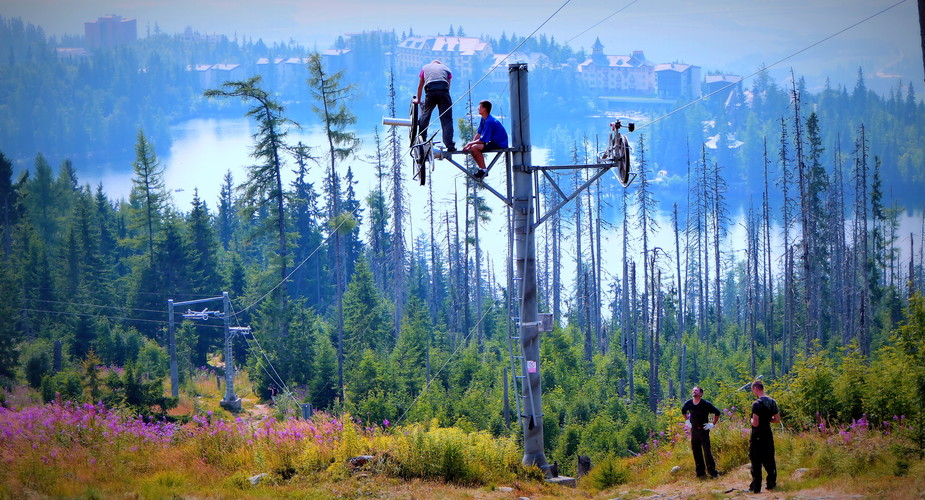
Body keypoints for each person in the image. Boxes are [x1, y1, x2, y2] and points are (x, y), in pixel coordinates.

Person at [415, 60, 455, 151]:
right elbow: (448, 86)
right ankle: (450, 145)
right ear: (440, 65)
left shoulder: (425, 68)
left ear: (432, 64)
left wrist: (418, 100)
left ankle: (422, 139)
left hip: (430, 90)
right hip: (443, 91)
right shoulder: (446, 69)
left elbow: (420, 85)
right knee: (446, 119)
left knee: (425, 115)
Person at [681, 386, 721, 479]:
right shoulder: (689, 403)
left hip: (703, 430)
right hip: (694, 430)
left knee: (707, 452)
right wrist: (687, 421)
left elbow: (717, 412)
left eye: (696, 390)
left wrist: (712, 424)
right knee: (696, 451)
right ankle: (700, 473)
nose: (694, 391)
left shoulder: (705, 404)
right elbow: (683, 411)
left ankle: (712, 472)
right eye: (693, 390)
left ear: (701, 394)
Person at [463, 100, 508, 180]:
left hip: (499, 143)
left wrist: (469, 144)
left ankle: (484, 170)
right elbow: (479, 134)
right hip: (493, 141)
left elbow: (483, 140)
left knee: (475, 147)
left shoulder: (489, 121)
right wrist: (470, 144)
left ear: (484, 109)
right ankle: (481, 169)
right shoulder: (483, 119)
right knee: (473, 148)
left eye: (479, 107)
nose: (478, 108)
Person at [749, 379, 781, 493]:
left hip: (757, 434)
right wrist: (767, 419)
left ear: (756, 389)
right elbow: (777, 419)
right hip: (767, 433)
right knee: (769, 458)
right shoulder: (772, 402)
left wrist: (752, 419)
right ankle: (771, 484)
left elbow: (756, 423)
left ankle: (756, 487)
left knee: (756, 460)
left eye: (753, 390)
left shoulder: (756, 404)